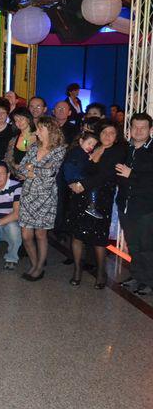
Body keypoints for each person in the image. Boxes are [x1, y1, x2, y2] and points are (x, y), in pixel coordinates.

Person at [65, 122, 126, 289]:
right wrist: (73, 182)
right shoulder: (93, 146)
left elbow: (105, 174)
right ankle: (77, 270)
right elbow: (78, 166)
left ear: (116, 136)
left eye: (111, 133)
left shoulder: (118, 151)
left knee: (99, 237)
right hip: (81, 197)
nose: (107, 136)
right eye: (104, 132)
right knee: (77, 234)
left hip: (101, 198)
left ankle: (100, 273)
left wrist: (82, 184)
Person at [15, 116, 67, 281]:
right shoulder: (33, 147)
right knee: (26, 235)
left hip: (46, 197)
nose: (36, 132)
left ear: (50, 130)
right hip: (28, 195)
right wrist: (33, 170)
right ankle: (34, 262)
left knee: (40, 234)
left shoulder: (59, 150)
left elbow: (50, 173)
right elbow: (20, 168)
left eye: (39, 129)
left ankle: (39, 267)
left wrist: (31, 170)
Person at [116, 112, 153, 296]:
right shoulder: (126, 149)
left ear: (150, 130)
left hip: (146, 208)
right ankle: (137, 276)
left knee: (147, 247)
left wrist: (132, 175)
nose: (138, 131)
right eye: (135, 127)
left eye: (142, 127)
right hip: (125, 205)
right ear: (130, 129)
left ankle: (149, 281)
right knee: (133, 245)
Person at [4, 108, 35, 180]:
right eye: (16, 120)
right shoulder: (13, 139)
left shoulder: (39, 137)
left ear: (28, 119)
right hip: (16, 177)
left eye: (21, 118)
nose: (19, 122)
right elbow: (8, 158)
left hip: (33, 179)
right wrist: (14, 165)